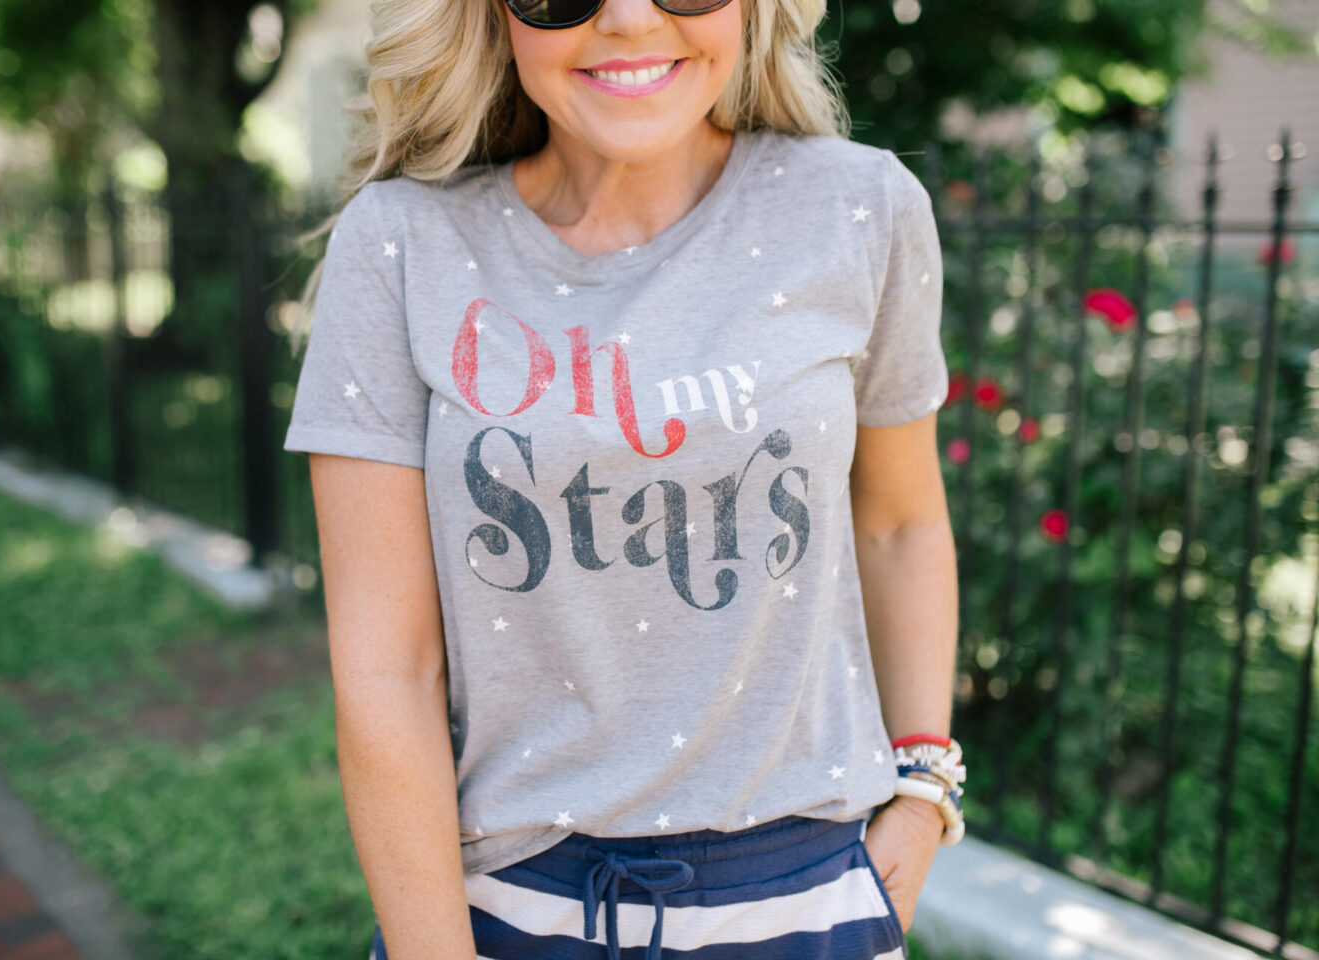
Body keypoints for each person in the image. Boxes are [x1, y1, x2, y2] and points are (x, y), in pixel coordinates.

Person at [281, 0, 966, 957]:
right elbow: (388, 670)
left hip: (808, 908)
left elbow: (901, 525)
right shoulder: (401, 245)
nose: (632, 18)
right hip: (512, 913)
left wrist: (925, 786)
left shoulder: (858, 209)